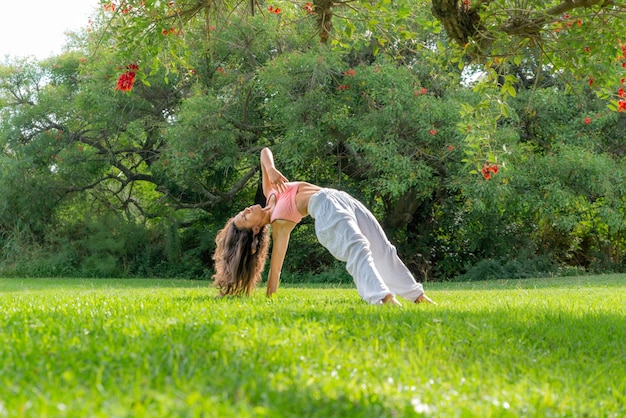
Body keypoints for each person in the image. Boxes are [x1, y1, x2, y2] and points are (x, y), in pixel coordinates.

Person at [212, 147, 435, 306]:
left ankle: (416, 296)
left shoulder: (271, 191)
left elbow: (264, 152)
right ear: (255, 229)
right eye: (244, 217)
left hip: (342, 199)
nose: (246, 210)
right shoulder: (280, 224)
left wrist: (270, 169)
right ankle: (381, 298)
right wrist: (269, 298)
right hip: (325, 208)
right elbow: (276, 269)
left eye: (242, 212)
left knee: (383, 248)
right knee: (357, 247)